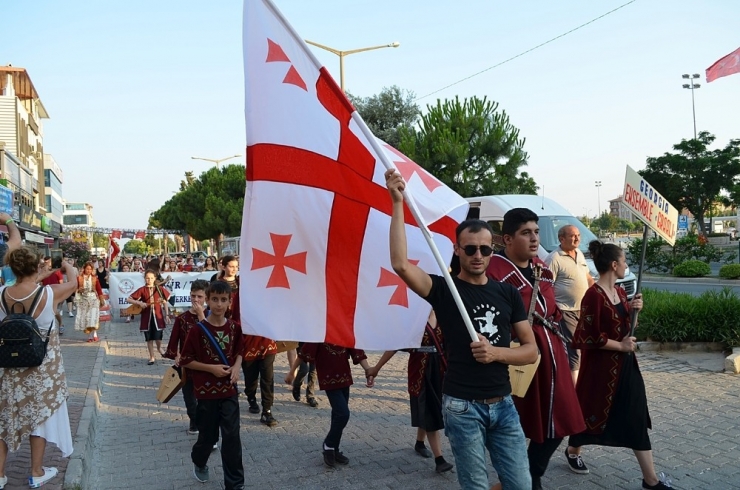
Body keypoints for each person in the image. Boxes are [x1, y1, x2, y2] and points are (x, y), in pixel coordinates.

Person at [385, 169, 537, 490]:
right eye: (470, 249)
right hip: (462, 406)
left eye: (484, 249)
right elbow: (400, 264)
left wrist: (495, 352)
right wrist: (397, 202)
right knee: (475, 485)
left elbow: (530, 350)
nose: (478, 255)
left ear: (492, 251)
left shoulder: (507, 293)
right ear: (457, 250)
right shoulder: (444, 290)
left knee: (520, 484)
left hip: (504, 405)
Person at [486, 208, 585, 490]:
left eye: (536, 232)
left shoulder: (541, 267)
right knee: (515, 426)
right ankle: (522, 481)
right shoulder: (494, 271)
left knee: (560, 421)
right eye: (526, 233)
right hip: (517, 356)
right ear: (507, 238)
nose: (533, 239)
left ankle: (530, 475)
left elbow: (551, 310)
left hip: (551, 354)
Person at [566, 241, 669, 490]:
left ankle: (650, 480)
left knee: (635, 416)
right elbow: (583, 338)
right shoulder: (593, 296)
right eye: (624, 261)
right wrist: (620, 346)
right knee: (588, 418)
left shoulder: (621, 292)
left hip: (627, 367)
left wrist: (635, 310)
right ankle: (572, 450)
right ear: (614, 265)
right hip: (601, 374)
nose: (627, 265)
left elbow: (626, 330)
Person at [0, 214, 79, 489]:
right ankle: (35, 471)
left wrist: (35, 276)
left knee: (5, 418)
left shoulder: (1, 294)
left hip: (9, 366)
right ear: (36, 266)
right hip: (43, 367)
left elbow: (19, 290)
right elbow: (74, 282)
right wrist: (68, 266)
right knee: (40, 417)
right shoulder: (49, 293)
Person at [366, 311, 454, 474]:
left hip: (440, 372)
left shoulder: (443, 315)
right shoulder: (414, 320)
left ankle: (420, 443)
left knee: (430, 409)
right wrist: (376, 368)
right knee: (429, 411)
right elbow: (394, 346)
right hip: (421, 373)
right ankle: (439, 459)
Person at [179, 281, 244, 489]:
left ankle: (235, 484)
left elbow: (240, 351)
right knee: (208, 438)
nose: (218, 304)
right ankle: (199, 460)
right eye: (214, 299)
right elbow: (186, 360)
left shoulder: (235, 328)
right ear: (207, 300)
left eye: (223, 300)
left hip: (228, 391)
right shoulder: (198, 331)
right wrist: (211, 368)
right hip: (206, 393)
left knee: (232, 436)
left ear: (229, 302)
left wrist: (236, 367)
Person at [285, 343, 373, 468]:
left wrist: (368, 370)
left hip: (345, 378)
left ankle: (335, 449)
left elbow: (356, 350)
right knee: (343, 414)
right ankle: (329, 445)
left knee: (338, 415)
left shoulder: (344, 330)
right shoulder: (320, 332)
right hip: (328, 379)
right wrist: (291, 372)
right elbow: (303, 354)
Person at [544, 224, 593, 385]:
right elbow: (546, 287)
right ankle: (574, 390)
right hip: (565, 311)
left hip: (583, 310)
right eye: (573, 235)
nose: (577, 238)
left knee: (584, 348)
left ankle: (579, 383)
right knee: (575, 351)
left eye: (578, 235)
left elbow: (587, 278)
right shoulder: (554, 258)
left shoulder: (579, 254)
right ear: (561, 238)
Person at [164, 279, 208, 434]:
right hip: (187, 365)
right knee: (189, 399)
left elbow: (212, 336)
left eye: (200, 297)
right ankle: (194, 421)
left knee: (205, 398)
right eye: (193, 296)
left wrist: (202, 315)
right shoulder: (182, 318)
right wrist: (176, 355)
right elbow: (174, 341)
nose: (196, 300)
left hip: (206, 365)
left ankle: (205, 425)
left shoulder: (211, 316)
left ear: (206, 298)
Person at [126, 270, 171, 365]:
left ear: (155, 278)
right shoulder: (142, 289)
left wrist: (167, 315)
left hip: (158, 317)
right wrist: (139, 303)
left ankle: (159, 348)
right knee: (149, 338)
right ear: (144, 279)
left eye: (151, 278)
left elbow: (165, 302)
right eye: (147, 278)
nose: (149, 280)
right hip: (147, 318)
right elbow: (128, 299)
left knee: (158, 337)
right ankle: (152, 357)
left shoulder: (159, 289)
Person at [241, 335, 279, 426]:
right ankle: (251, 399)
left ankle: (267, 411)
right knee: (251, 379)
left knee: (267, 378)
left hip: (268, 344)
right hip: (248, 344)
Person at [74, 262, 106, 342]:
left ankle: (95, 334)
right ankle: (89, 336)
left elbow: (99, 289)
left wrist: (101, 299)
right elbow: (75, 288)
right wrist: (78, 290)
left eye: (90, 269)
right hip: (83, 300)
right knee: (86, 318)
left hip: (93, 299)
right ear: (84, 269)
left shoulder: (95, 278)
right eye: (87, 269)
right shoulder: (79, 278)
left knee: (93, 317)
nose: (88, 270)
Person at [287, 343, 318, 408]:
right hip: (302, 343)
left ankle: (310, 395)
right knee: (304, 370)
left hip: (316, 343)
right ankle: (297, 385)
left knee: (313, 370)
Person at [39, 257, 65, 335]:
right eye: (46, 262)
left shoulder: (57, 272)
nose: (47, 263)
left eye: (49, 262)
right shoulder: (43, 272)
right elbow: (41, 283)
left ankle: (60, 324)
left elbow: (61, 283)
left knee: (55, 311)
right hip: (45, 293)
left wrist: (62, 294)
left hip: (54, 293)